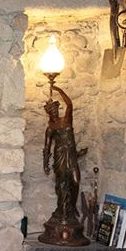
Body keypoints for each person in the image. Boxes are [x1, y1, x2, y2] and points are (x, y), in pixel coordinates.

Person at [43, 83, 87, 223]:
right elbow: (47, 147)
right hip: (60, 156)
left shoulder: (66, 119)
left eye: (56, 110)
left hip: (71, 156)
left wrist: (59, 90)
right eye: (52, 111)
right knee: (62, 184)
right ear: (49, 113)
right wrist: (45, 164)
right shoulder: (51, 128)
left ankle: (71, 207)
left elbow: (69, 104)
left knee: (76, 180)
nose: (55, 113)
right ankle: (63, 211)